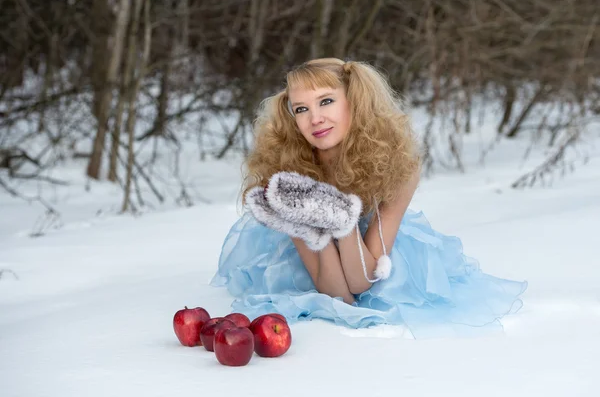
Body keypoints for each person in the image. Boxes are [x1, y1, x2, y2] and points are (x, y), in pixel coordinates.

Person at [210, 58, 527, 338]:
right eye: (301, 109)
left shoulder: (398, 166)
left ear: (354, 102)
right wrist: (314, 228)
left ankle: (341, 219)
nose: (315, 119)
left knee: (381, 285)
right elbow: (338, 297)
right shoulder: (290, 173)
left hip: (381, 261)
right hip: (320, 270)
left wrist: (344, 222)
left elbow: (363, 284)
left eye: (326, 101)